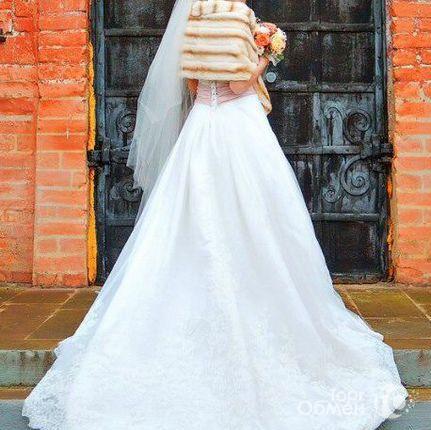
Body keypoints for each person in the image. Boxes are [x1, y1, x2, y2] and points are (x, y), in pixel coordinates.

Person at [23, 1, 408, 429]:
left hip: (202, 124)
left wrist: (225, 76)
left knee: (189, 214)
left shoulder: (193, 21)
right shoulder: (236, 17)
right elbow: (241, 84)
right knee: (257, 214)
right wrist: (266, 54)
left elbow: (193, 86)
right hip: (238, 125)